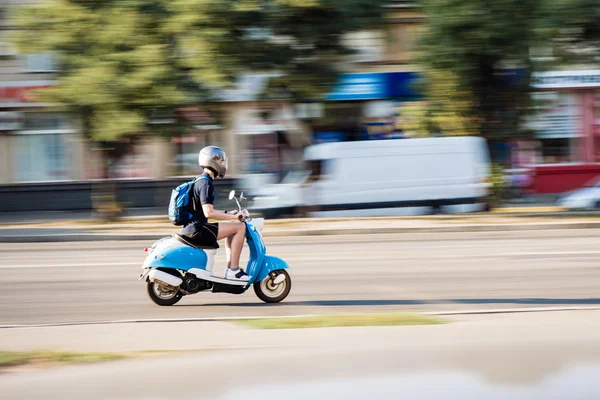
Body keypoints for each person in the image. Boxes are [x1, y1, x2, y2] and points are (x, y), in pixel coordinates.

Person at [182, 146, 249, 281]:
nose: (223, 165)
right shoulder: (205, 183)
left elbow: (205, 210)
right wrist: (234, 217)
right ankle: (233, 270)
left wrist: (228, 213)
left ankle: (231, 267)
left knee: (234, 227)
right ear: (213, 162)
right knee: (240, 227)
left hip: (193, 228)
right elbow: (209, 212)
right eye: (221, 161)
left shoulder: (200, 180)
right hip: (198, 230)